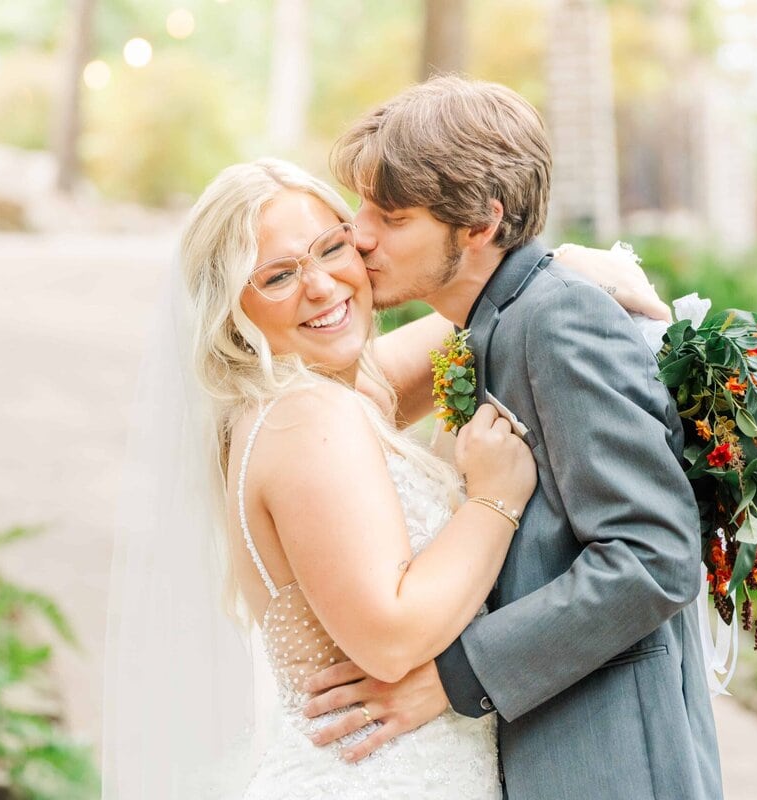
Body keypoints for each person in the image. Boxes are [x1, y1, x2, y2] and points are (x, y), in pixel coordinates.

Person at [102, 154, 677, 799]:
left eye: (331, 247)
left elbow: (462, 319)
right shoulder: (307, 418)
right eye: (278, 276)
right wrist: (493, 499)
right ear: (232, 309)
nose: (320, 286)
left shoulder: (314, 396)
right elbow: (391, 637)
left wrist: (558, 267)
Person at [301, 76, 724, 799]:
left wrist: (451, 678)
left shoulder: (559, 320)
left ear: (479, 223)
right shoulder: (496, 323)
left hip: (612, 761)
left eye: (392, 215)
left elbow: (654, 555)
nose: (359, 234)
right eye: (363, 206)